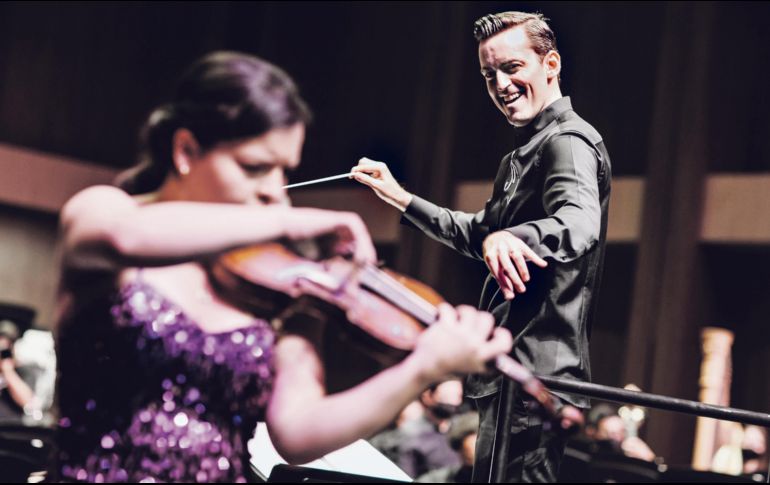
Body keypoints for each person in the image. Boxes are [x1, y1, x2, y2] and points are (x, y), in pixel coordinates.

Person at [52, 51, 514, 482]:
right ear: (186, 151)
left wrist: (423, 368)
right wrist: (290, 218)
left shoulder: (275, 279)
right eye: (255, 167)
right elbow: (126, 236)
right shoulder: (105, 210)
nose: (274, 190)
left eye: (283, 171)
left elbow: (298, 433)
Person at [352, 11, 611, 482]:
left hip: (536, 377)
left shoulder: (568, 142)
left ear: (550, 64)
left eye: (513, 67)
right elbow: (477, 233)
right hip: (509, 373)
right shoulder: (520, 155)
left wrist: (518, 236)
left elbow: (579, 223)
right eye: (489, 74)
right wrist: (400, 197)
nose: (501, 84)